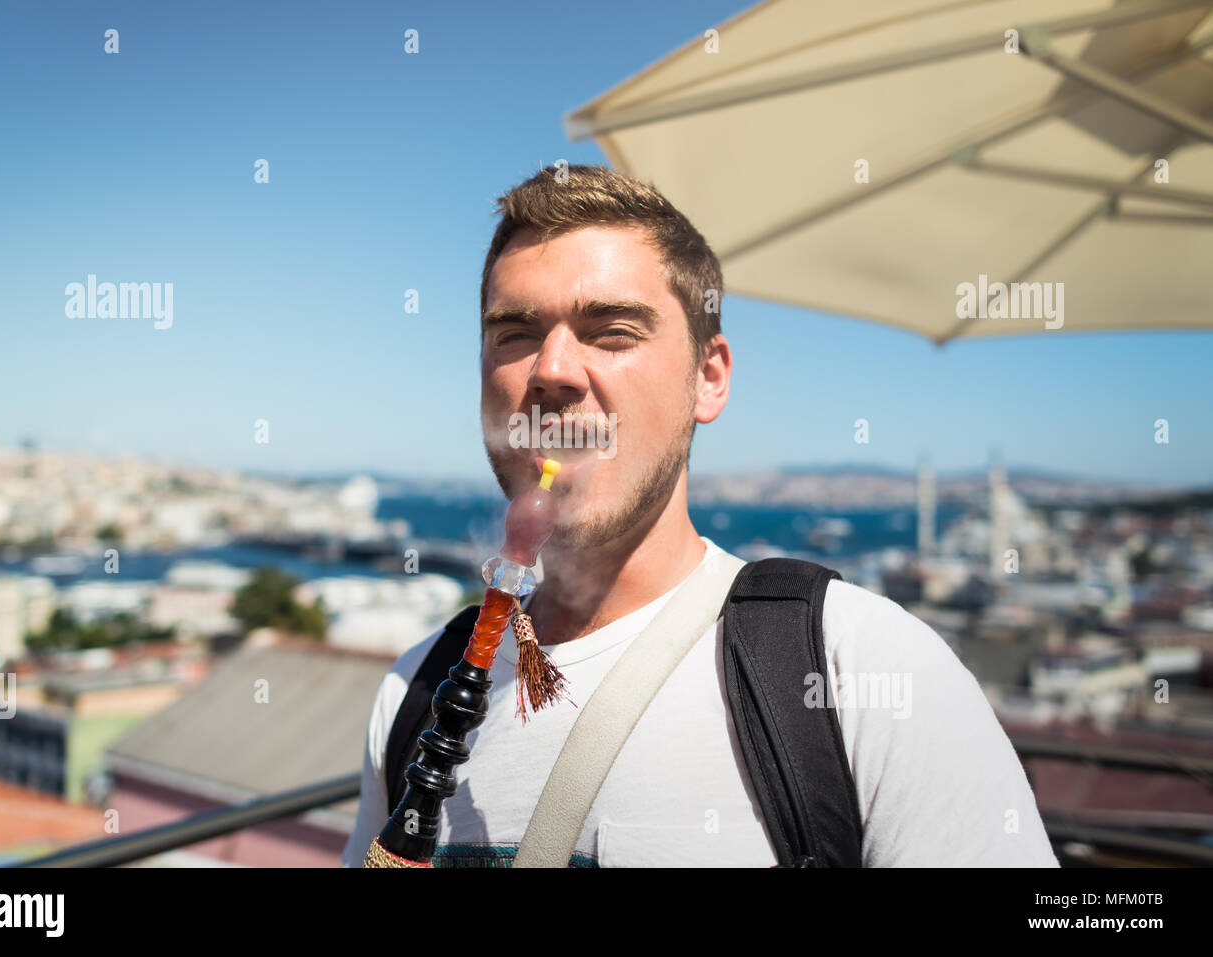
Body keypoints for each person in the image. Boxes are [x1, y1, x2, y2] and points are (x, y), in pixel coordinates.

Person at [343, 165, 1059, 867]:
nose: (551, 370)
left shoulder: (866, 671)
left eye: (612, 330)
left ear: (708, 378)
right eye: (515, 333)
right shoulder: (417, 688)